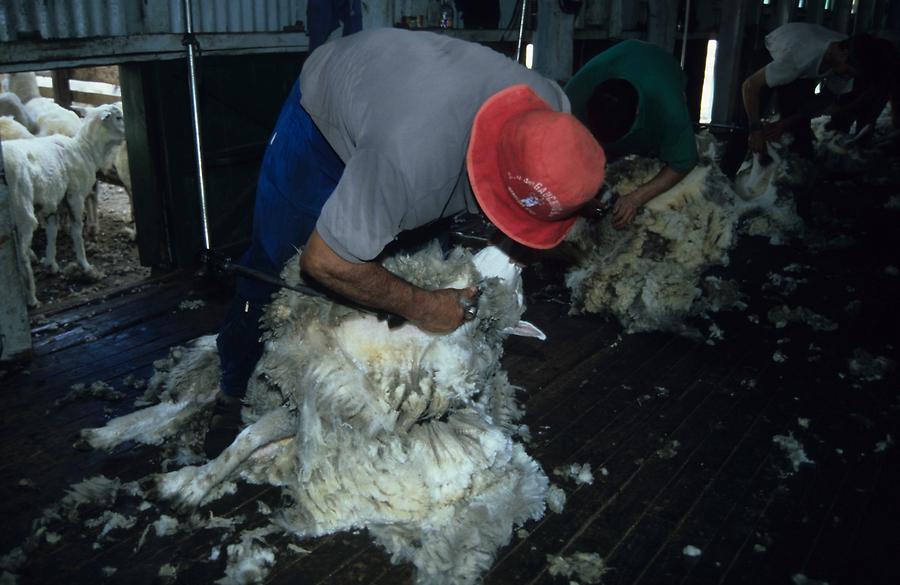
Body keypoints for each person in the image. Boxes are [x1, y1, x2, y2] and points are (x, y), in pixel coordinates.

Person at [204, 28, 607, 457]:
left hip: (418, 118)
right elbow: (325, 262)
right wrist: (423, 306)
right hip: (326, 126)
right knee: (275, 264)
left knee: (413, 264)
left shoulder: (554, 117)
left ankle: (401, 395)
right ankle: (232, 387)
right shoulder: (411, 162)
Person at [564, 39, 699, 230]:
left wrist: (637, 198)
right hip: (622, 69)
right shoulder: (573, 98)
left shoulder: (669, 108)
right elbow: (562, 153)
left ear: (637, 112)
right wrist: (581, 198)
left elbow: (684, 162)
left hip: (658, 72)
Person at [741, 22, 857, 156]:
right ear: (843, 54)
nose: (847, 76)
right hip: (778, 51)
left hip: (807, 68)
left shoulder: (849, 54)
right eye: (848, 71)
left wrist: (785, 123)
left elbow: (825, 98)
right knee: (746, 125)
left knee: (799, 130)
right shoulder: (799, 57)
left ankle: (800, 162)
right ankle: (729, 169)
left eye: (851, 74)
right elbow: (749, 86)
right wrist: (754, 129)